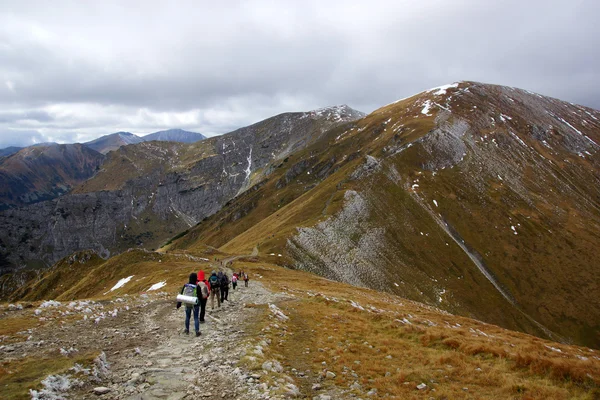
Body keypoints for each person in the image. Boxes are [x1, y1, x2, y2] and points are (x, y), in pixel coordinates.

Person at [176, 272, 202, 337]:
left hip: (187, 303)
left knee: (187, 317)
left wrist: (179, 304)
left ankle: (187, 329)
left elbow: (182, 294)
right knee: (196, 317)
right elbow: (200, 296)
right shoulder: (197, 286)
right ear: (196, 278)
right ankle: (197, 331)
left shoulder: (186, 286)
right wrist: (200, 303)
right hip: (195, 304)